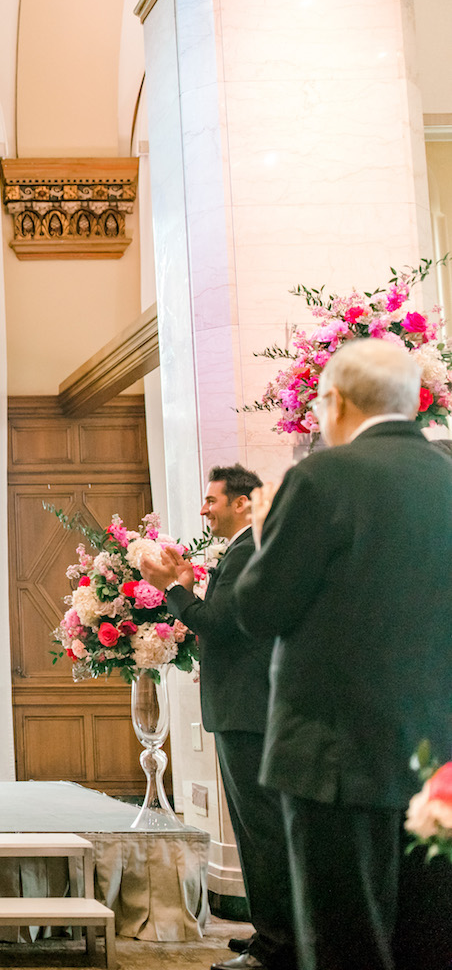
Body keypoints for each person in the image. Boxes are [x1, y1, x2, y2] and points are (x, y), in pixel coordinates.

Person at [232, 338, 452, 970]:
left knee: (342, 942)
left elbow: (259, 611)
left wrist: (263, 531)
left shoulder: (321, 478)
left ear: (333, 401)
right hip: (435, 756)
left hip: (334, 754)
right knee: (429, 940)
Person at [141, 464, 295, 970]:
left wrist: (173, 589)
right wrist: (186, 583)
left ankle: (277, 947)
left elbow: (221, 626)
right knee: (256, 834)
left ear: (243, 503)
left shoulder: (250, 550)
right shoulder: (241, 550)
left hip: (248, 710)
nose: (204, 508)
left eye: (212, 500)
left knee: (263, 834)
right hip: (242, 707)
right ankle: (266, 933)